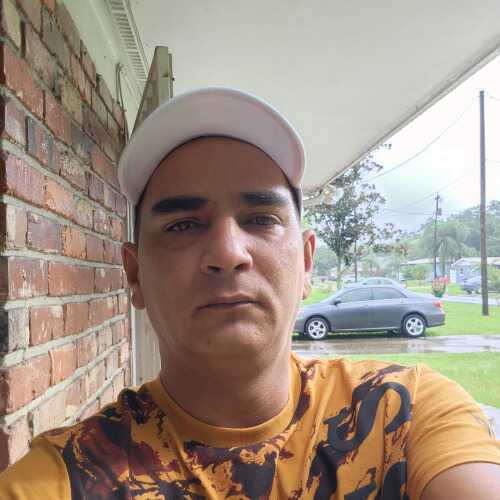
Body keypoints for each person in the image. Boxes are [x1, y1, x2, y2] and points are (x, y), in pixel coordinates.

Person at [0, 88, 499, 499]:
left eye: (260, 218)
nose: (227, 252)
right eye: (182, 224)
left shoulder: (402, 415)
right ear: (134, 276)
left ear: (306, 263)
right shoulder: (67, 475)